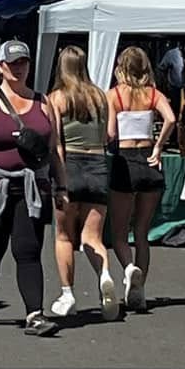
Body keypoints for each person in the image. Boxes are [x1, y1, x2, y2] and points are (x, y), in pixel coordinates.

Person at [0, 39, 64, 336]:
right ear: (0, 67)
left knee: (28, 249)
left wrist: (62, 185)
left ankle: (35, 314)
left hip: (33, 187)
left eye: (23, 62)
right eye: (13, 63)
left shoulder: (44, 103)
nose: (19, 68)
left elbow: (54, 148)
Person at [49, 45, 118, 320]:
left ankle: (68, 294)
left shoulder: (56, 98)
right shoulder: (100, 97)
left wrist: (60, 181)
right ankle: (104, 275)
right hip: (98, 164)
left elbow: (56, 143)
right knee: (93, 237)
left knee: (64, 235)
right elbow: (109, 135)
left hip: (71, 165)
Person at [105, 45, 175, 311]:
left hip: (125, 160)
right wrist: (159, 146)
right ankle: (140, 290)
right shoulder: (153, 93)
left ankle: (128, 267)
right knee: (142, 232)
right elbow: (170, 119)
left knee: (119, 233)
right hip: (149, 160)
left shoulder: (114, 95)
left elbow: (110, 133)